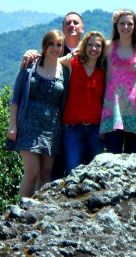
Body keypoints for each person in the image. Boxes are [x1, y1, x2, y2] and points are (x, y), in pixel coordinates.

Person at [21, 11, 85, 180]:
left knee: (76, 174)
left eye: (76, 23)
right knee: (49, 174)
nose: (72, 25)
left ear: (82, 28)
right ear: (63, 28)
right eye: (68, 23)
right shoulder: (53, 52)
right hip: (53, 124)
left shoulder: (91, 51)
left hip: (82, 123)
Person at [6, 30, 69, 197]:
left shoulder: (64, 71)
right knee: (32, 172)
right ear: (45, 45)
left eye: (59, 45)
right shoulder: (31, 65)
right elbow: (16, 96)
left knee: (45, 173)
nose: (55, 49)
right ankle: (20, 212)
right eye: (52, 44)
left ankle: (36, 212)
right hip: (27, 125)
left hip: (51, 128)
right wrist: (12, 125)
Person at [100, 10, 136, 154]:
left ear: (135, 27)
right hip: (113, 108)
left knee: (133, 156)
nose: (126, 27)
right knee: (113, 155)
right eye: (122, 23)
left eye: (130, 24)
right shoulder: (107, 47)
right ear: (116, 25)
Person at [59, 31, 107, 174]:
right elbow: (52, 61)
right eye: (90, 45)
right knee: (72, 173)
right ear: (84, 46)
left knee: (93, 174)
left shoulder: (104, 70)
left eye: (98, 46)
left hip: (96, 130)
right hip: (72, 129)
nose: (93, 49)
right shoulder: (73, 63)